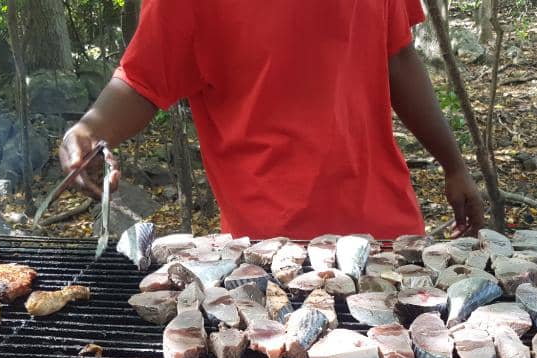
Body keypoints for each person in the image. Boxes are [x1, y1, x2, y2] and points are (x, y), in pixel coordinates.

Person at [60, 0, 484, 239]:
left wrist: (454, 165)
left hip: (390, 234)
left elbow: (398, 55)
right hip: (272, 251)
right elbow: (142, 81)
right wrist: (91, 130)